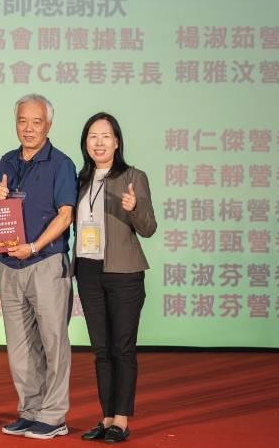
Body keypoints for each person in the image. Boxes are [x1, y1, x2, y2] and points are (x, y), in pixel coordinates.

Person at [0, 94, 78, 440]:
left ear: (49, 125)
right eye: (22, 121)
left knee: (53, 340)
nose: (28, 129)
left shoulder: (61, 163)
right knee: (20, 344)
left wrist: (34, 246)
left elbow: (66, 215)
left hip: (45, 262)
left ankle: (54, 415)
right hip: (9, 266)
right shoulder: (7, 161)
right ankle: (30, 410)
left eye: (36, 122)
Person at [75, 113, 156, 444]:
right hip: (88, 271)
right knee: (101, 350)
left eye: (106, 136)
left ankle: (120, 420)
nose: (99, 142)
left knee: (122, 348)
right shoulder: (80, 179)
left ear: (117, 141)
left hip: (123, 273)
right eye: (92, 136)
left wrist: (134, 207)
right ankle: (106, 416)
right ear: (85, 143)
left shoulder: (134, 176)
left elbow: (148, 228)